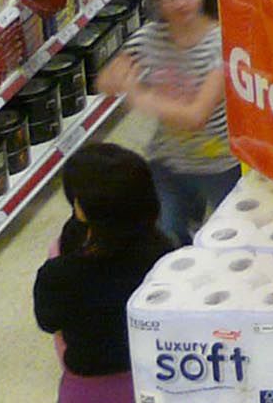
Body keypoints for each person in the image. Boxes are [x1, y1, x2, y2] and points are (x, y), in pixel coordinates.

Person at [96, 0, 239, 242]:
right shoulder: (149, 38)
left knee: (231, 238)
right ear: (158, 1)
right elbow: (105, 80)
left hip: (220, 164)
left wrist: (140, 98)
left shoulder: (220, 44)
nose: (181, 3)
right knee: (165, 237)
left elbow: (197, 116)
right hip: (168, 162)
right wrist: (115, 77)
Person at [34, 143, 175, 403]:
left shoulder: (60, 275)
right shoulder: (167, 255)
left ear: (81, 207)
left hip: (90, 386)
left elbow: (48, 321)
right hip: (162, 375)